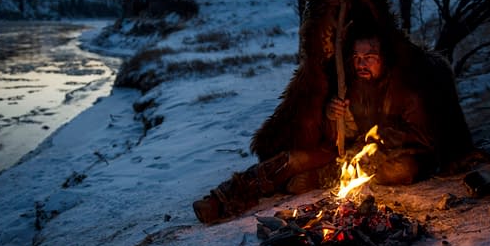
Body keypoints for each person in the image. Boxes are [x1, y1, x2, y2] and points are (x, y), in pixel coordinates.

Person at [192, 21, 468, 224]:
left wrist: (376, 139)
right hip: (344, 156)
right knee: (291, 160)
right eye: (358, 58)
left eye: (370, 58)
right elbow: (337, 137)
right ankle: (223, 198)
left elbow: (424, 137)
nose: (362, 64)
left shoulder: (406, 88)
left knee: (403, 170)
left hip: (391, 157)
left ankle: (318, 179)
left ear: (385, 59)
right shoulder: (352, 85)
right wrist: (333, 115)